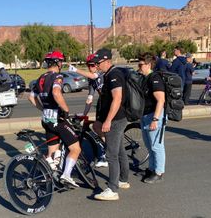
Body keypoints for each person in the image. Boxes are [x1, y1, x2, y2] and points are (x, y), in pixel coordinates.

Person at [28, 50, 81, 187]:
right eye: (61, 61)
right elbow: (56, 93)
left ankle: (50, 178)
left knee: (52, 153)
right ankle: (66, 175)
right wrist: (66, 109)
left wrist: (43, 108)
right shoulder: (57, 76)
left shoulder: (40, 78)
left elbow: (31, 97)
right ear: (58, 63)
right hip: (57, 119)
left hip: (46, 119)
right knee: (76, 149)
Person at [92, 48, 130, 201]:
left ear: (107, 61)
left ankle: (112, 189)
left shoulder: (114, 75)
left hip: (115, 120)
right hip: (117, 119)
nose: (96, 65)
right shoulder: (108, 75)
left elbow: (117, 98)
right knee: (120, 151)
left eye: (98, 63)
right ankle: (123, 180)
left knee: (111, 154)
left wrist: (107, 120)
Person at [68, 54, 108, 168]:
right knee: (97, 127)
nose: (90, 67)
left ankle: (109, 152)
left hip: (112, 105)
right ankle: (106, 151)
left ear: (97, 65)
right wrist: (84, 113)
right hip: (102, 104)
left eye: (92, 65)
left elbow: (94, 75)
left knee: (103, 127)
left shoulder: (101, 73)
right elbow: (90, 98)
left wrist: (75, 70)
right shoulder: (91, 79)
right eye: (88, 65)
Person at [138, 53, 166, 184]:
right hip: (145, 115)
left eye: (141, 64)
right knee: (149, 146)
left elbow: (161, 100)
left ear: (148, 65)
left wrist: (155, 119)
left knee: (156, 146)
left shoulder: (155, 78)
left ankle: (159, 172)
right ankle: (151, 168)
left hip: (154, 115)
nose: (138, 66)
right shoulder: (145, 78)